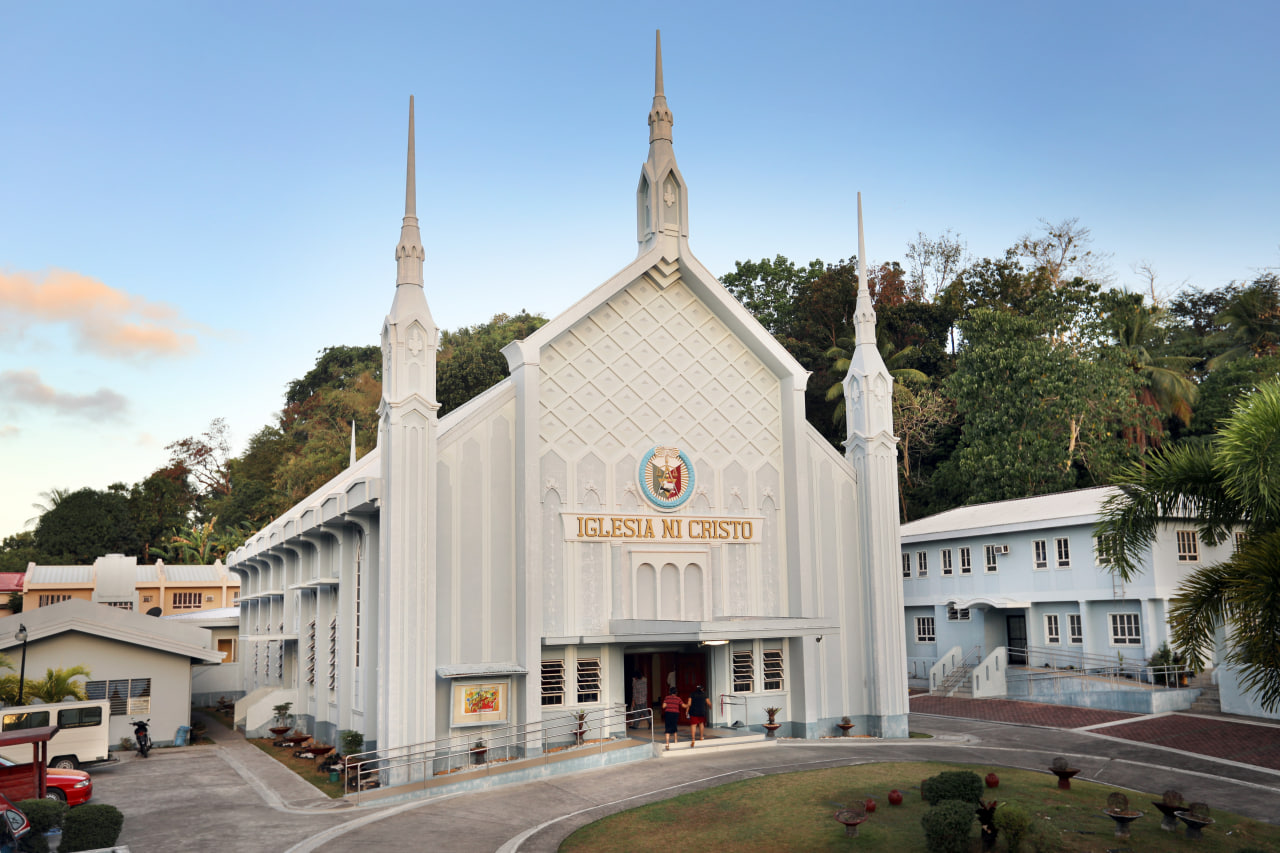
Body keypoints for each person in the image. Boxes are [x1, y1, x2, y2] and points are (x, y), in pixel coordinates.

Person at [661, 686, 685, 750]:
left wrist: (667, 704)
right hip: (675, 714)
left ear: (670, 692)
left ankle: (667, 744)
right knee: (674, 727)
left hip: (668, 713)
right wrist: (689, 705)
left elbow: (663, 706)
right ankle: (676, 741)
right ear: (676, 692)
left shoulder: (667, 698)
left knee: (668, 728)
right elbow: (683, 706)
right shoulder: (678, 699)